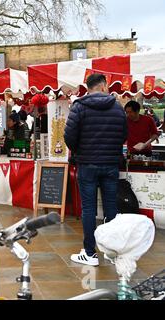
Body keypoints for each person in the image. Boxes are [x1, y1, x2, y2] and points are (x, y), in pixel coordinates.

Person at [64, 74, 127, 267]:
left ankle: (90, 253)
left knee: (89, 209)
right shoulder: (117, 108)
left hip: (87, 164)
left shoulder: (79, 107)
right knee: (111, 208)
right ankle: (111, 251)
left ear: (89, 88)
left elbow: (69, 136)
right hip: (110, 164)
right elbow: (124, 135)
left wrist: (80, 151)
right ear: (103, 86)